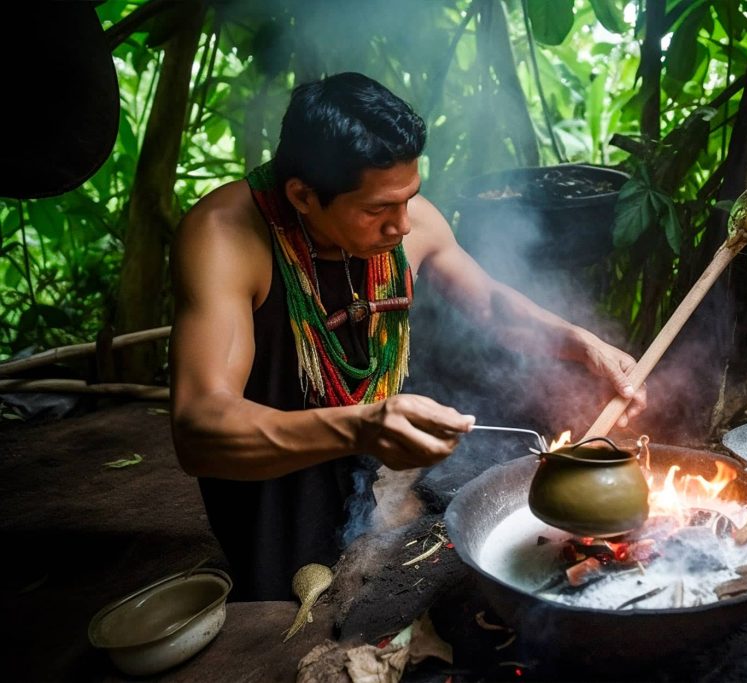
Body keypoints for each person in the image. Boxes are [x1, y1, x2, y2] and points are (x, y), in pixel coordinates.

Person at [169, 72, 646, 601]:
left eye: (409, 198)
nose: (403, 225)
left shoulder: (408, 217)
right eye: (377, 209)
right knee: (287, 600)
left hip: (365, 457)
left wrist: (581, 343)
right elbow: (200, 430)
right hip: (269, 487)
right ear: (303, 195)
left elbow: (489, 304)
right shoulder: (225, 236)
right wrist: (363, 425)